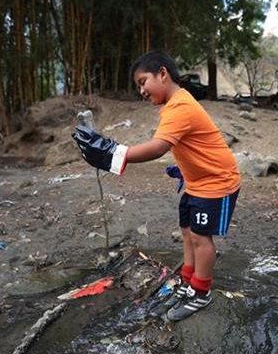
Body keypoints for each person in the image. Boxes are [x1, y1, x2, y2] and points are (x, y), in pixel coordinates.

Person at [73, 51, 241, 321]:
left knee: (200, 236)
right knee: (187, 230)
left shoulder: (180, 106)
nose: (141, 90)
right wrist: (185, 167)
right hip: (197, 181)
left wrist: (111, 153)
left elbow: (158, 147)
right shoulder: (173, 106)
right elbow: (189, 144)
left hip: (216, 182)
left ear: (162, 74)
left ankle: (201, 292)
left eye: (143, 81)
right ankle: (188, 280)